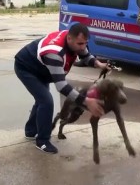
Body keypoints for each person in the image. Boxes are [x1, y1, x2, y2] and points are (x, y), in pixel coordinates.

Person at [14, 23, 108, 154]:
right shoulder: (55, 53)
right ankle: (42, 141)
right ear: (69, 38)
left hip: (41, 69)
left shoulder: (75, 40)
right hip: (27, 68)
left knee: (41, 99)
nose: (83, 47)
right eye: (80, 44)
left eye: (85, 43)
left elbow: (85, 56)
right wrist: (86, 101)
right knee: (46, 101)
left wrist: (99, 64)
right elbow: (62, 86)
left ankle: (30, 131)